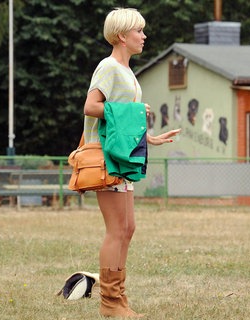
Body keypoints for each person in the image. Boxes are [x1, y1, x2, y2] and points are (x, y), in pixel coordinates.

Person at [83, 8, 180, 318]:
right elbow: (91, 106)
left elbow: (120, 121)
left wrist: (149, 137)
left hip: (123, 157)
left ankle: (120, 298)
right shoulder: (108, 67)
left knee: (128, 227)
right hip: (106, 159)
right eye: (139, 31)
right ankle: (110, 304)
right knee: (116, 229)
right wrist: (134, 112)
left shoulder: (127, 72)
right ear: (122, 36)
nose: (144, 36)